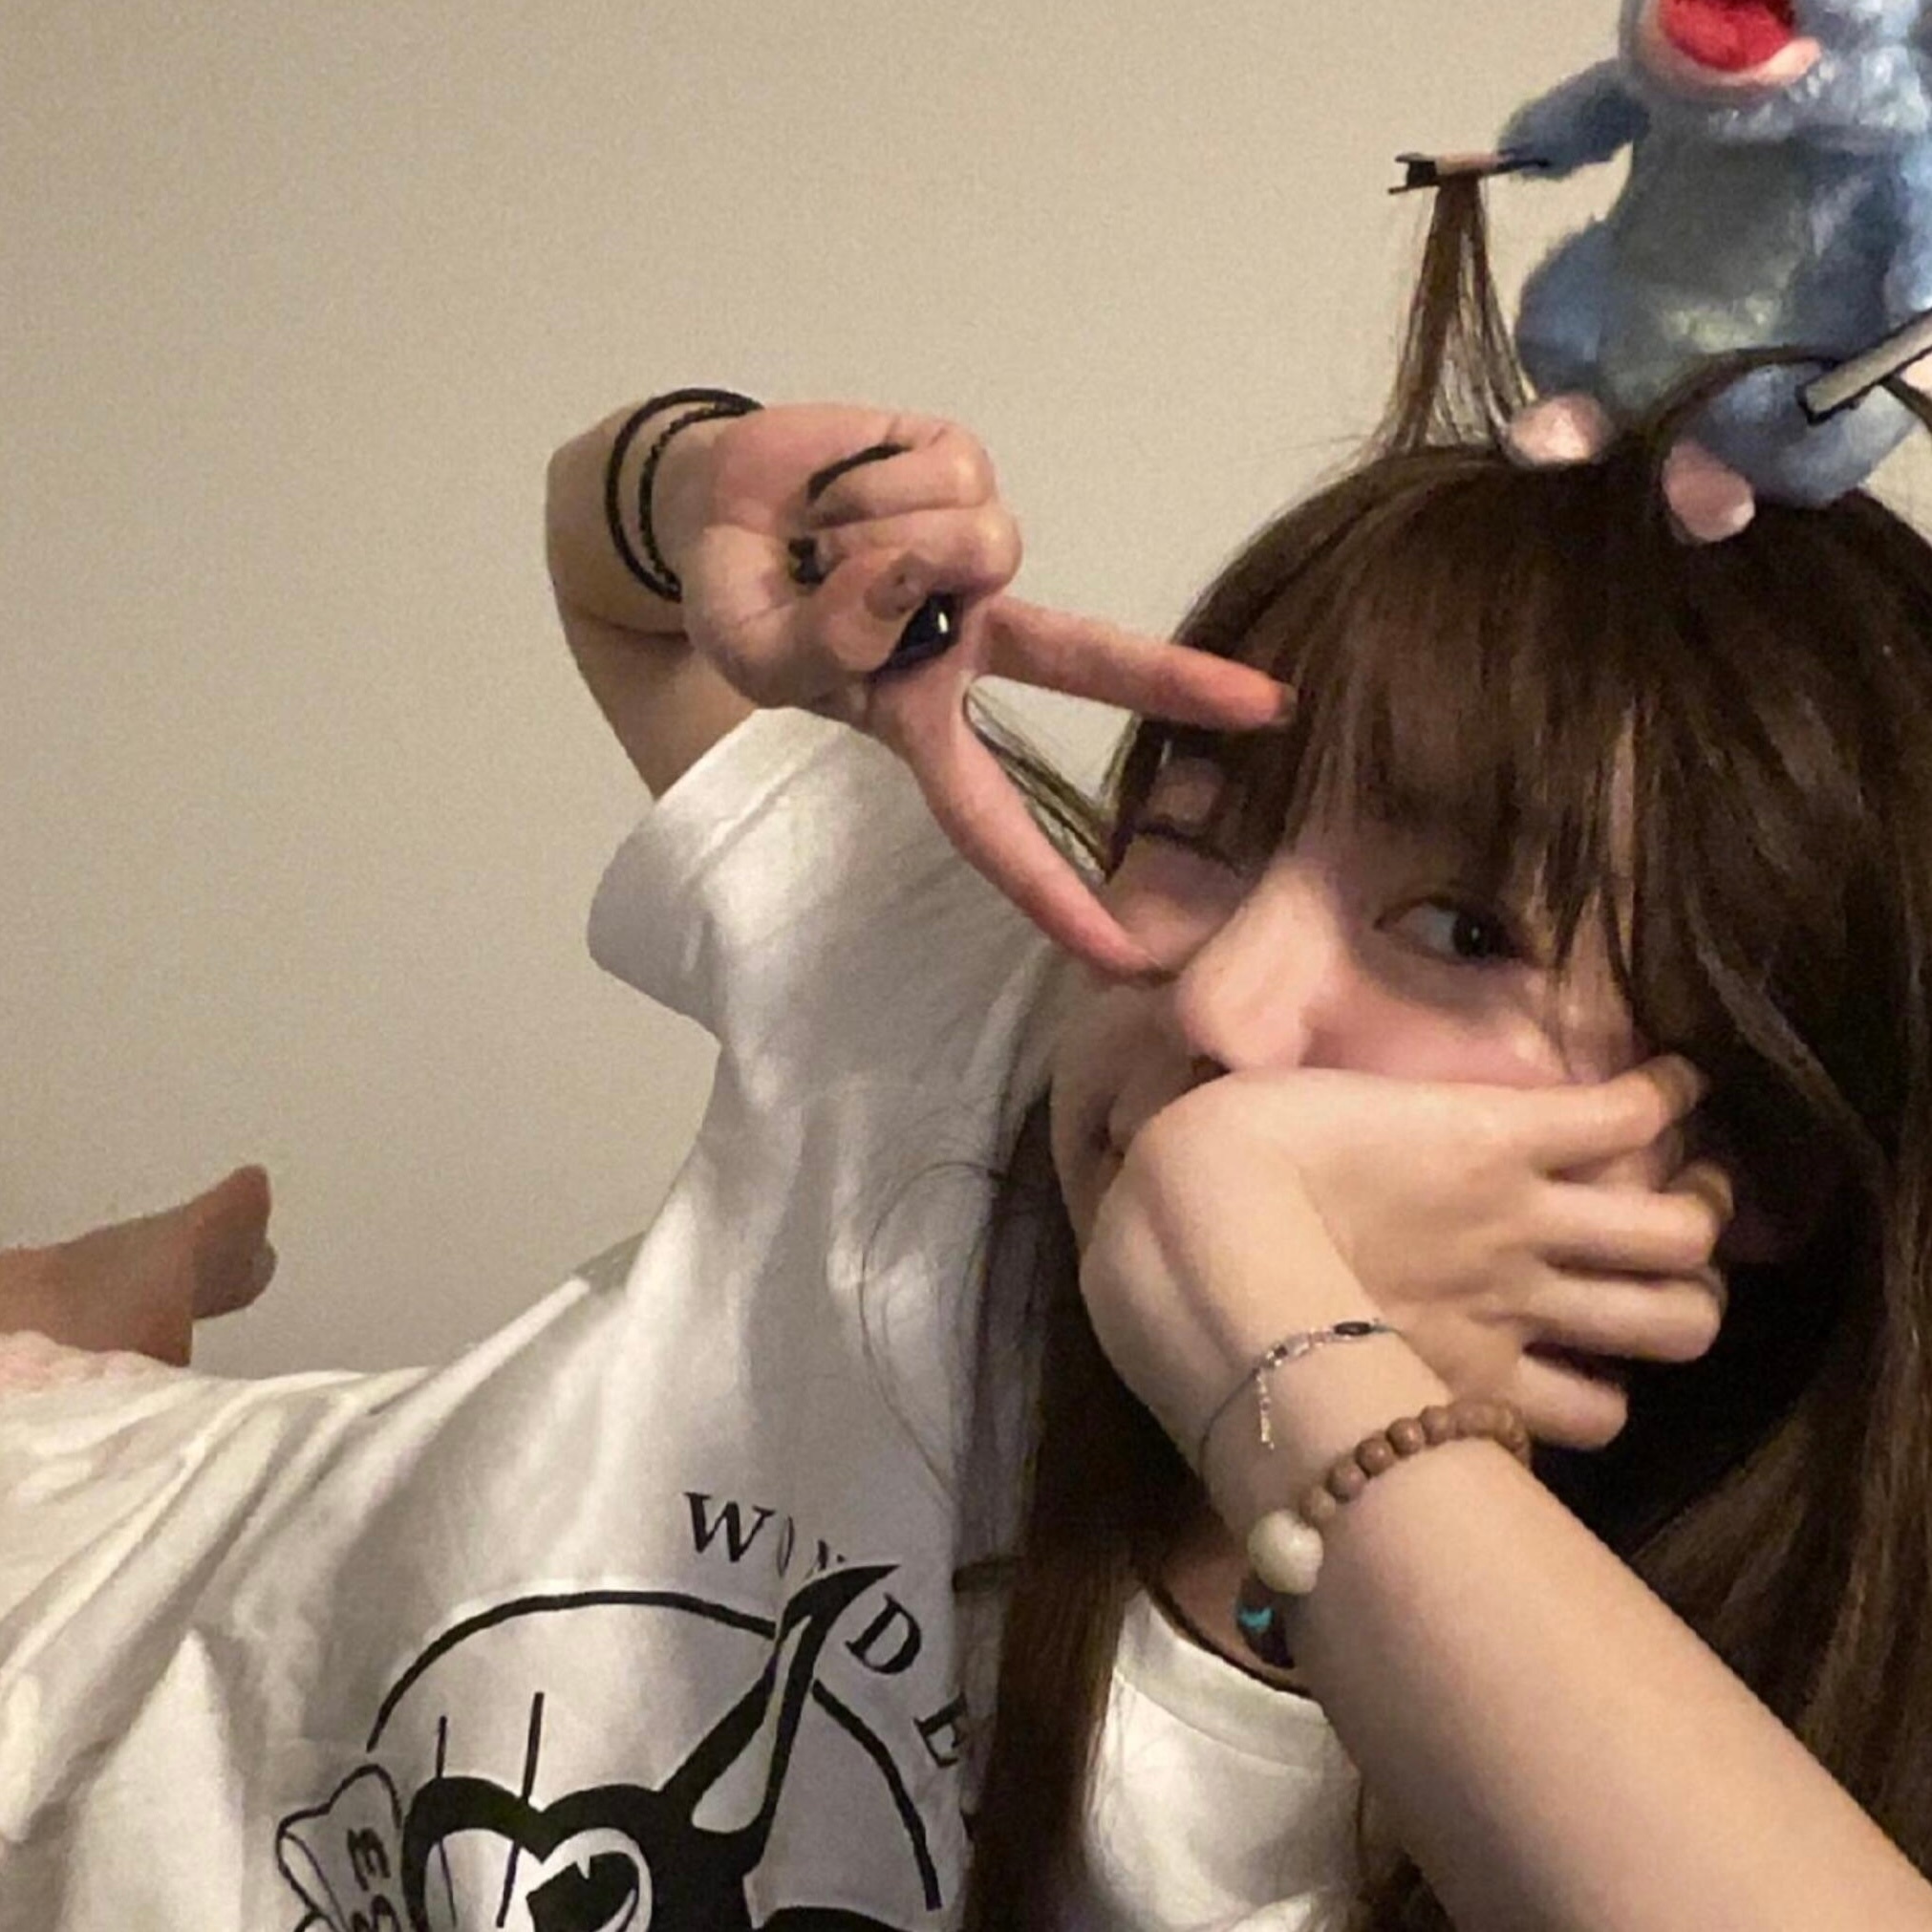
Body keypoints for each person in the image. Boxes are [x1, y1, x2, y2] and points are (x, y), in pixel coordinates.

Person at [6, 202, 1932, 1932]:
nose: (1218, 1001)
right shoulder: (982, 1024)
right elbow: (618, 578)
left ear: (1751, 1161)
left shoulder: (1574, 1784)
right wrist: (712, 485)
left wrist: (1258, 1316)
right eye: (1195, 825)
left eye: (1459, 931)